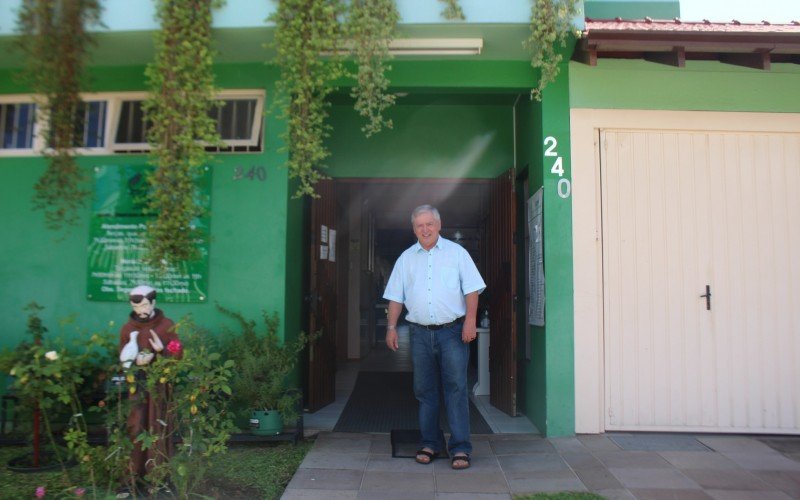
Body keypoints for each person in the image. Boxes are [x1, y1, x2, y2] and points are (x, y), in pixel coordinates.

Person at [383, 205, 486, 470]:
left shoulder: (457, 253)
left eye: (429, 224)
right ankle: (430, 443)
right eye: (420, 225)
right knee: (425, 392)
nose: (425, 229)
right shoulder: (406, 259)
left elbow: (472, 289)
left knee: (456, 389)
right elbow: (395, 296)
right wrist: (391, 327)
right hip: (419, 334)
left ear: (439, 225)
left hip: (452, 332)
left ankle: (461, 448)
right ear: (414, 229)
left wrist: (470, 322)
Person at [118, 285, 182, 482]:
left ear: (153, 302)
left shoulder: (166, 325)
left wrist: (161, 350)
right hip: (136, 386)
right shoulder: (128, 329)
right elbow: (122, 359)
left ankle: (160, 475)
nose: (142, 311)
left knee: (159, 425)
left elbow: (178, 353)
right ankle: (134, 475)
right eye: (137, 307)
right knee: (136, 425)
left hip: (160, 386)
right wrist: (134, 363)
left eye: (145, 305)